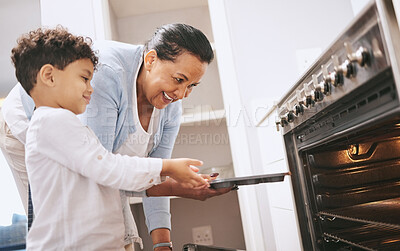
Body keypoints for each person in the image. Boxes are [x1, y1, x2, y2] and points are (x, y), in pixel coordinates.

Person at [0, 23, 231, 250]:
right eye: (179, 80)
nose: (182, 94)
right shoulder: (102, 78)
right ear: (150, 60)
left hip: (95, 162)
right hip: (22, 123)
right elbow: (103, 171)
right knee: (79, 212)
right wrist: (168, 173)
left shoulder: (171, 105)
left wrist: (163, 245)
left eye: (192, 86)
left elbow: (125, 170)